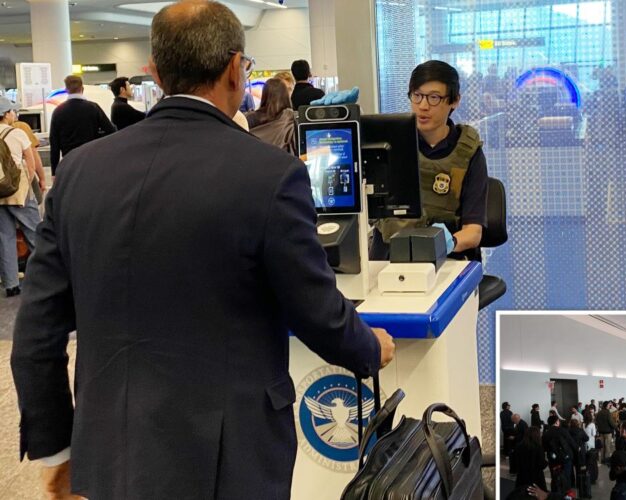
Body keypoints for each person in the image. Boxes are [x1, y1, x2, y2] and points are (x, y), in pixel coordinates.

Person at [10, 2, 395, 498]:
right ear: (236, 68)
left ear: (155, 71)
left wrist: (57, 450)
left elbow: (36, 332)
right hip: (228, 457)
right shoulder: (269, 174)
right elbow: (314, 307)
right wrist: (369, 348)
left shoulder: (79, 172)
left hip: (109, 448)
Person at [369, 60, 489, 262]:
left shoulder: (468, 152)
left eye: (434, 98)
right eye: (417, 96)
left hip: (447, 260)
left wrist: (447, 243)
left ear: (454, 101)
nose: (423, 106)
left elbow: (473, 232)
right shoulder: (390, 145)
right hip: (389, 257)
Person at [0, 96, 43, 297]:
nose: (14, 114)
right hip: (18, 192)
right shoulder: (17, 132)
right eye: (12, 111)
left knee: (4, 237)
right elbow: (31, 162)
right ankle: (46, 277)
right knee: (35, 233)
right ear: (6, 114)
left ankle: (11, 285)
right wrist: (30, 183)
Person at [49, 74, 116, 177]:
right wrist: (96, 135)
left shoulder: (58, 111)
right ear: (82, 88)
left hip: (69, 161)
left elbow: (54, 143)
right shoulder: (93, 108)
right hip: (90, 159)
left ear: (66, 90)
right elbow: (111, 130)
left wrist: (54, 172)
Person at [246, 78, 297, 155]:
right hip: (284, 160)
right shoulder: (292, 119)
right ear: (286, 95)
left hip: (256, 158)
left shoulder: (250, 118)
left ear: (264, 95)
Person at [542, 416, 578, 492]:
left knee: (555, 477)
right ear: (556, 422)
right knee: (566, 477)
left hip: (553, 459)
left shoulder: (546, 434)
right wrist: (576, 449)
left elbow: (544, 448)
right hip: (565, 457)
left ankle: (555, 493)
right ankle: (566, 493)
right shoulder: (563, 430)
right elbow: (571, 442)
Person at [514, 426, 548, 493]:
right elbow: (541, 465)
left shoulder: (519, 446)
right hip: (536, 479)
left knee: (521, 495)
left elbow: (515, 463)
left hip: (522, 477)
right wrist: (547, 462)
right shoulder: (538, 447)